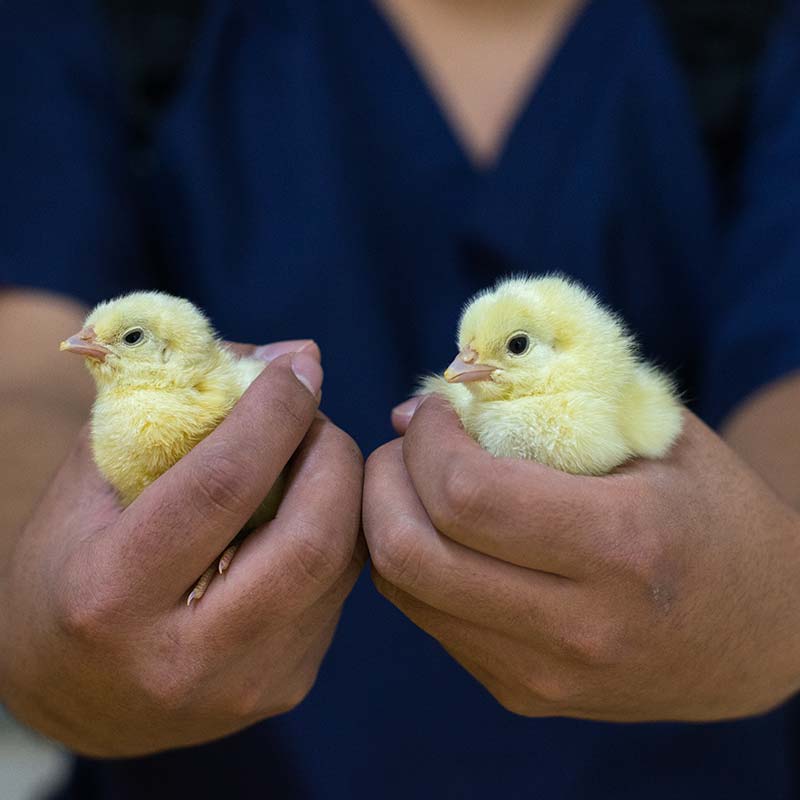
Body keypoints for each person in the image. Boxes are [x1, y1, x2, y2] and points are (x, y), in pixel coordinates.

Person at [2, 0, 799, 797]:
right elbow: (25, 369)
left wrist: (775, 602)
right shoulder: (99, 27)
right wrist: (33, 608)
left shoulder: (761, 37)